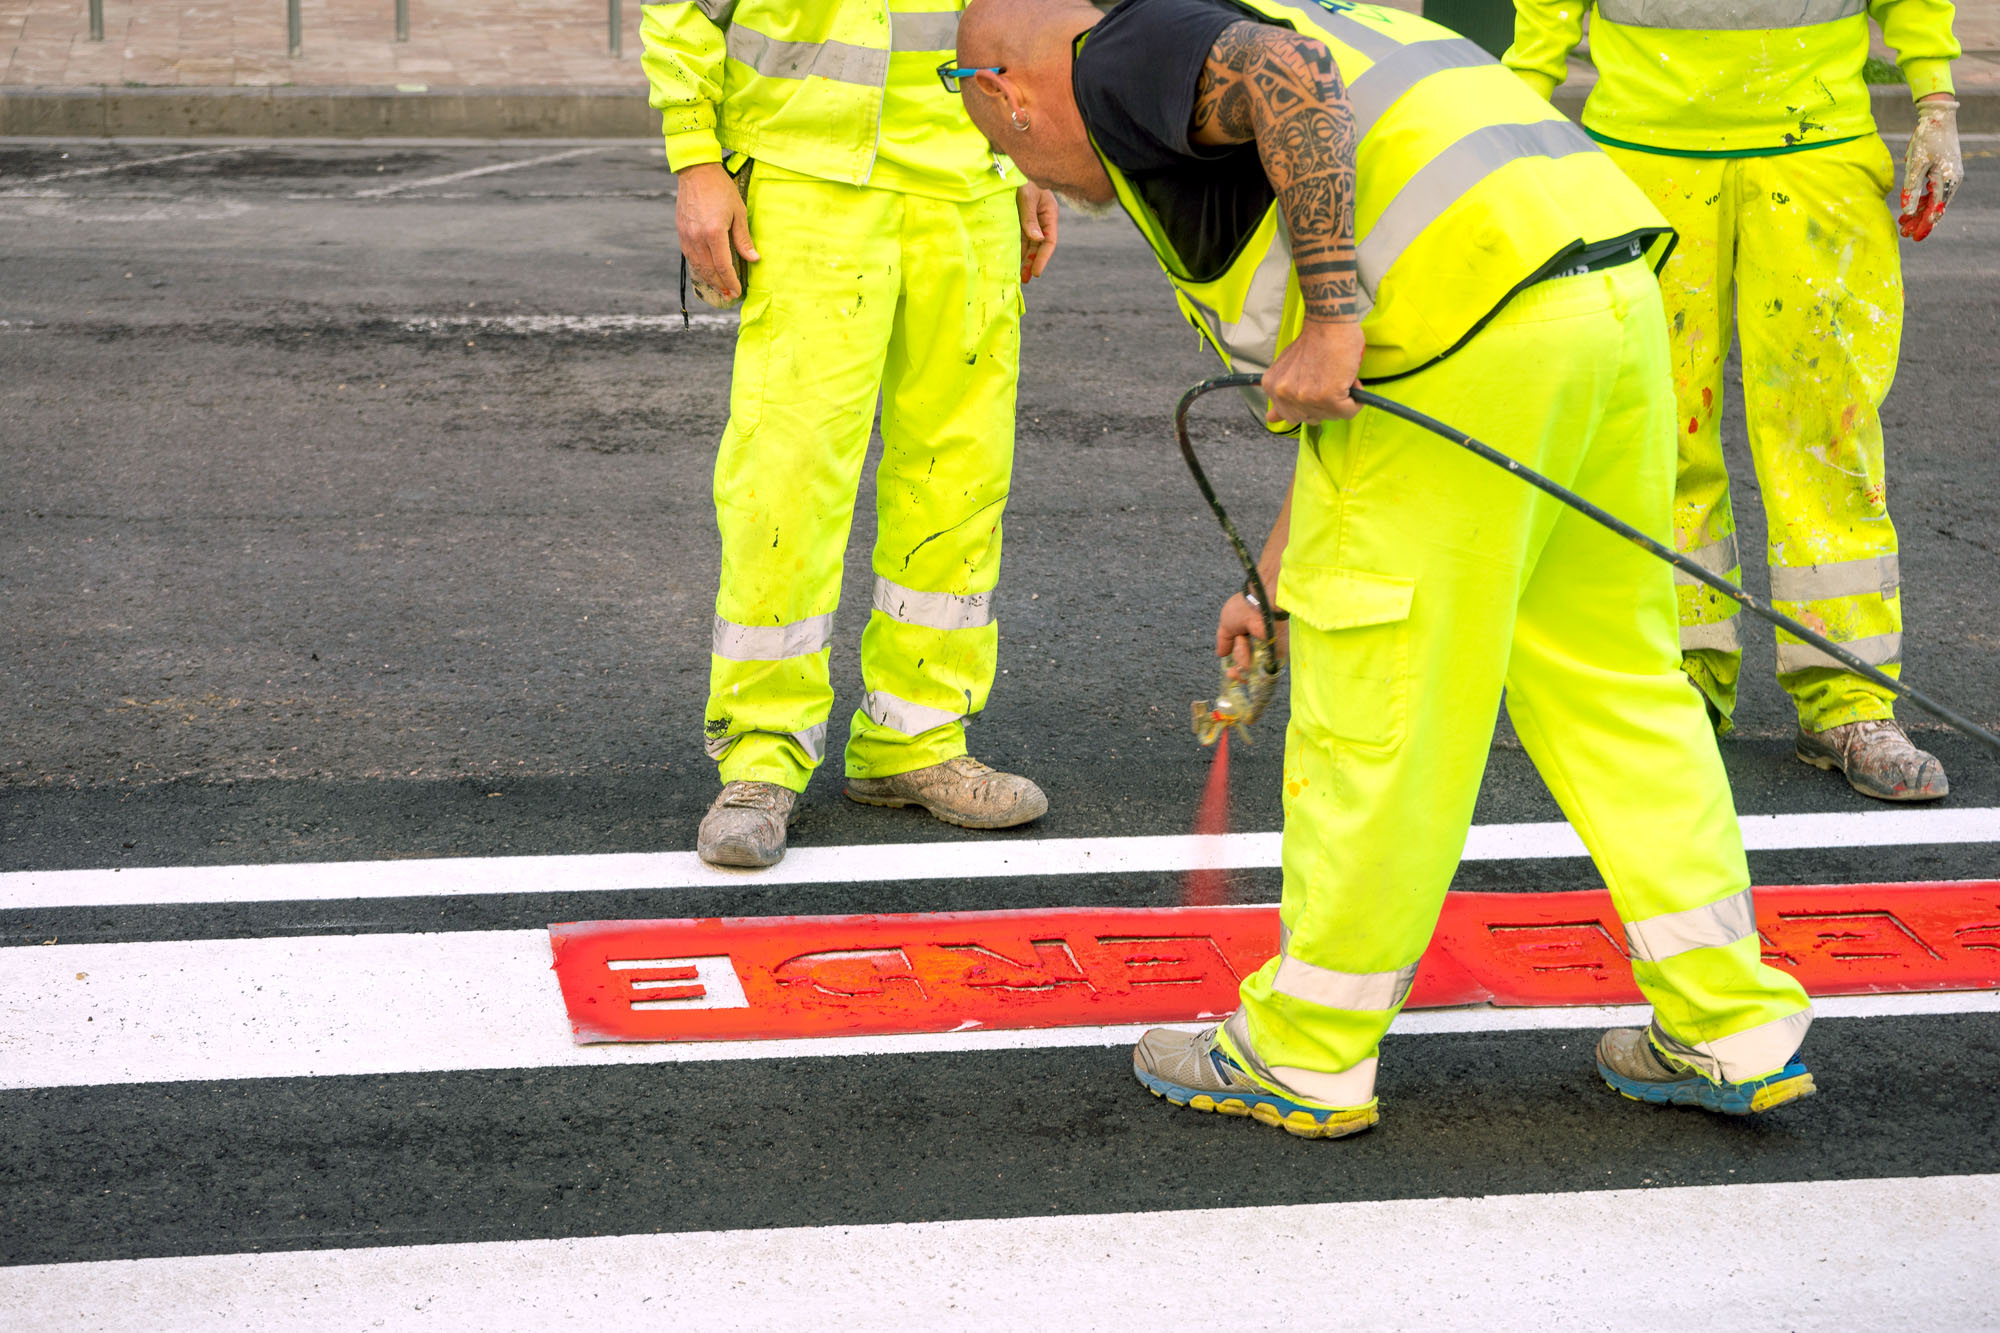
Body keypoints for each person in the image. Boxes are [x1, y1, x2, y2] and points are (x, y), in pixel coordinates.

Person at [953, 0, 1816, 1137]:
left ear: (1003, 89)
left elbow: (1281, 76)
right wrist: (1277, 575)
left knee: (1380, 707)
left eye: (987, 127)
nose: (1007, 157)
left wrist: (1333, 314)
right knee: (1613, 683)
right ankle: (1729, 1022)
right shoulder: (1292, 26)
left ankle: (1306, 1049)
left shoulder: (1116, 53)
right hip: (1600, 308)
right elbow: (1346, 420)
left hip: (1466, 341)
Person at [1506, 1, 1964, 802]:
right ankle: (1674, 682)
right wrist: (1519, 103)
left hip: (1813, 148)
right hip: (1643, 154)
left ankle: (1848, 695)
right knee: (1654, 436)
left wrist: (1937, 100)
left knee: (1829, 437)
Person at [642, 0, 1063, 869]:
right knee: (784, 479)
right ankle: (762, 753)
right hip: (812, 178)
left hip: (969, 186)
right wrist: (696, 160)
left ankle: (915, 739)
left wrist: (1030, 148)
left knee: (960, 476)